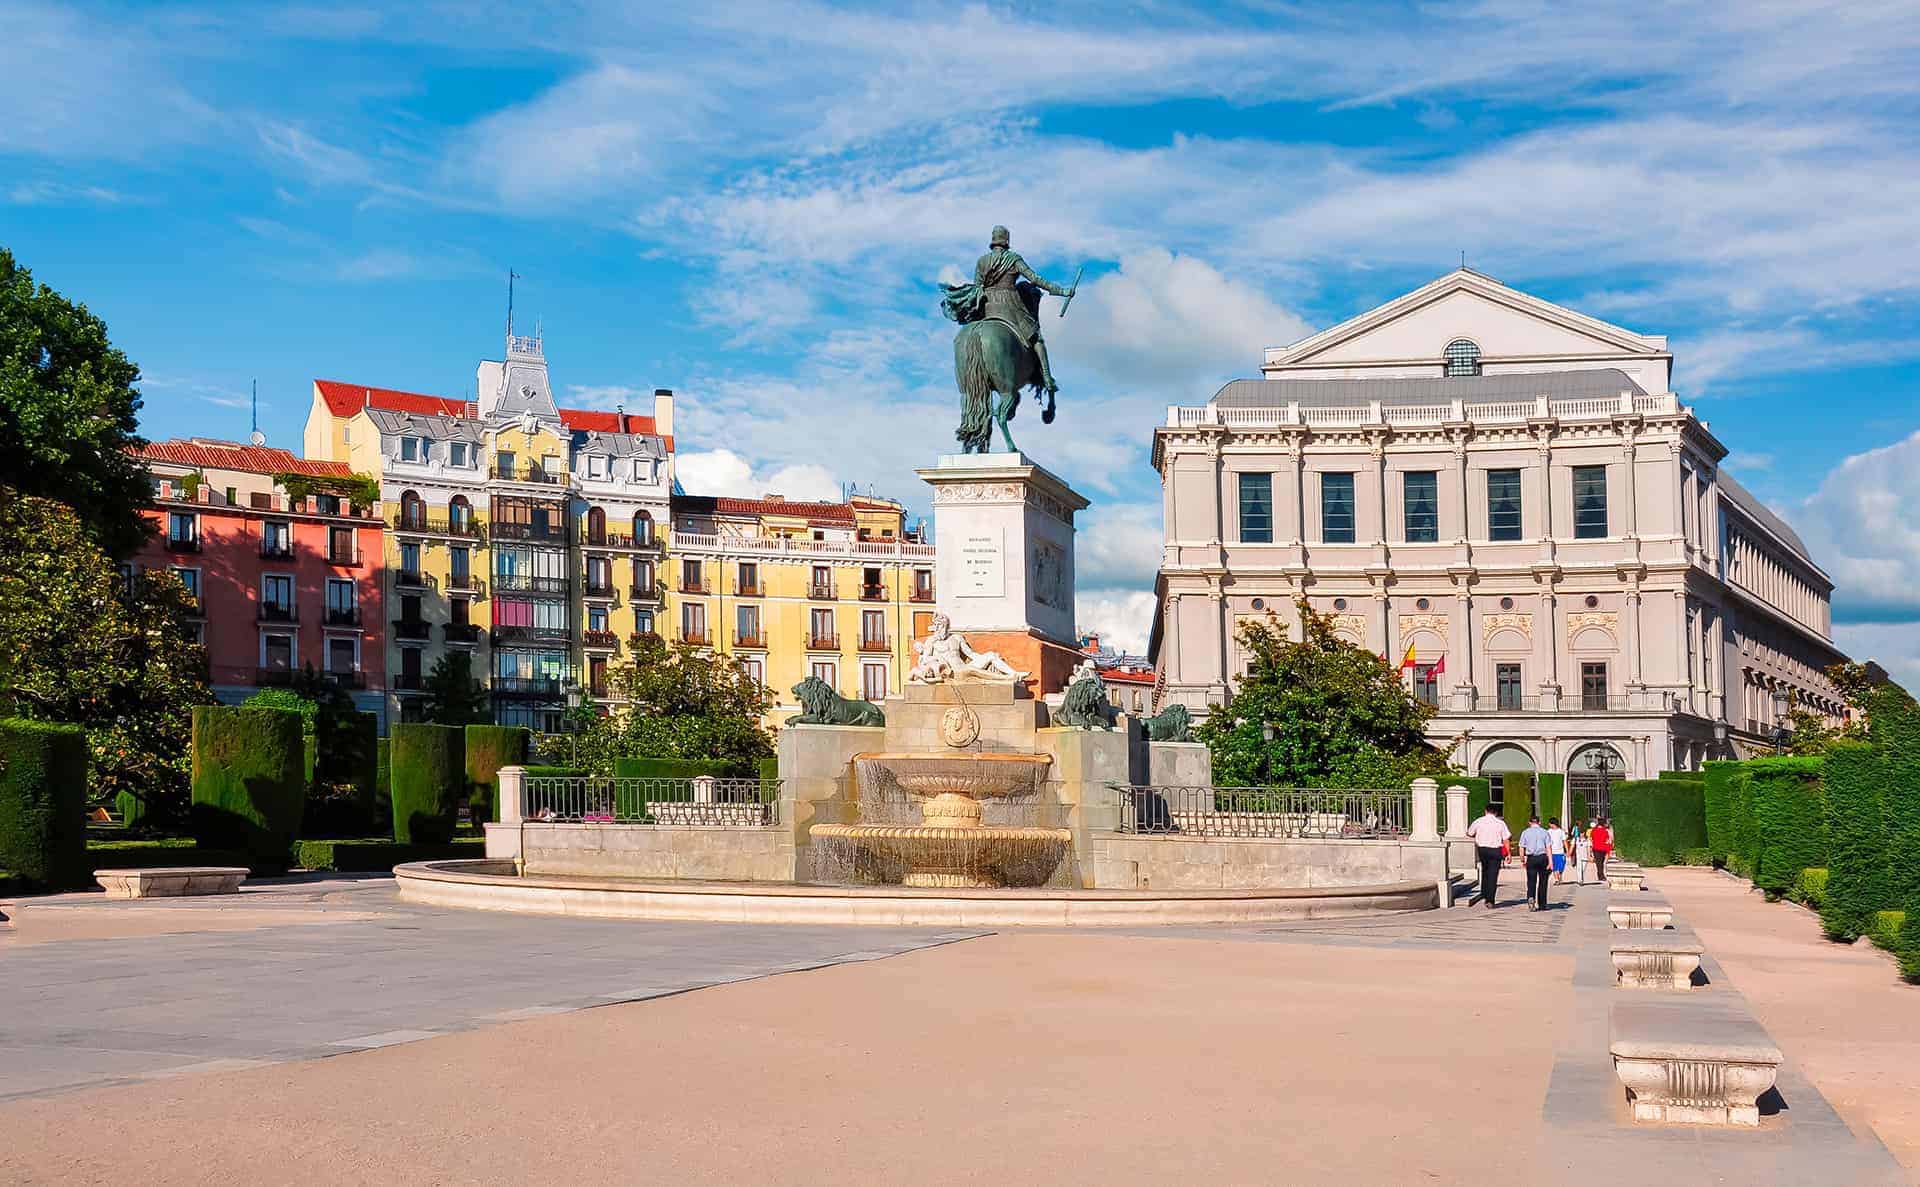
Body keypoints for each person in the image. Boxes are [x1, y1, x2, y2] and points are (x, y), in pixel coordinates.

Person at [1464, 804, 1511, 909]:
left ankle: (1484, 893)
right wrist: (1508, 853)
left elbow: (1469, 833)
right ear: (1496, 812)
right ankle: (1490, 899)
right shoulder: (1500, 823)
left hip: (1483, 850)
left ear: (1486, 811)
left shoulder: (1478, 821)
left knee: (1485, 871)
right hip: (1495, 850)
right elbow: (1506, 839)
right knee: (1493, 875)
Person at [1518, 814, 1554, 911]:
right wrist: (1551, 862)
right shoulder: (1545, 832)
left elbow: (1521, 847)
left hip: (1531, 858)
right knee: (1543, 881)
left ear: (1529, 823)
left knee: (1531, 881)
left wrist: (1522, 859)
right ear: (1539, 822)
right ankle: (1542, 903)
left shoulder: (1525, 832)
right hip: (1543, 858)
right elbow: (1548, 848)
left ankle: (1531, 898)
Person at [1590, 817, 1613, 881]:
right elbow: (1608, 840)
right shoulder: (1605, 830)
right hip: (1603, 848)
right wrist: (1609, 849)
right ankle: (1601, 875)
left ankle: (1600, 874)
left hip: (1596, 848)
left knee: (1598, 862)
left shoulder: (1594, 830)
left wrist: (1591, 850)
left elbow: (1591, 839)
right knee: (1601, 862)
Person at [1548, 817, 1570, 885]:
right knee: (1554, 867)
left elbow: (1565, 841)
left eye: (1550, 823)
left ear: (1553, 823)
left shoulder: (1561, 831)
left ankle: (1559, 876)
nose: (1549, 824)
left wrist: (1568, 851)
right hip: (1552, 852)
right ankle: (1556, 879)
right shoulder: (1548, 832)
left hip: (1560, 852)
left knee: (1561, 867)